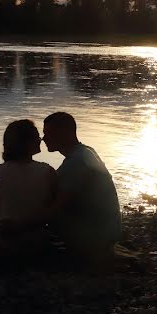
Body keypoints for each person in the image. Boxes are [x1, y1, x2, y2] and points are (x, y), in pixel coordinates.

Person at [42, 112, 122, 263]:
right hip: (110, 231)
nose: (43, 139)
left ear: (64, 133)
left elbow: (57, 207)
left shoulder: (76, 163)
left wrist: (22, 223)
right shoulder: (86, 151)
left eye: (48, 133)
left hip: (96, 237)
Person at [0, 119, 57, 260]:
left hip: (1, 244)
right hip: (37, 243)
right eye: (37, 137)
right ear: (27, 143)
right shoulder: (47, 171)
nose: (40, 140)